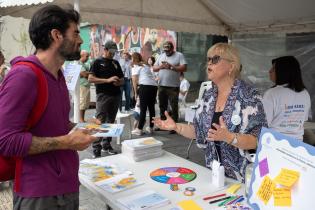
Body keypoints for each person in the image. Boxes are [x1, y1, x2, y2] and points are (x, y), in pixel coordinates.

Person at [0, 5, 97, 210]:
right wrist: (67, 141)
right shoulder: (23, 76)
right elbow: (6, 141)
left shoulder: (58, 75)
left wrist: (79, 127)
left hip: (66, 186)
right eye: (76, 33)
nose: (80, 40)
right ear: (56, 35)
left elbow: (55, 123)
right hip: (39, 193)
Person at [153, 43, 267, 182]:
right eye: (208, 59)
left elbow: (258, 140)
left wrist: (230, 137)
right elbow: (199, 131)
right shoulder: (209, 95)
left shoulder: (250, 97)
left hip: (244, 179)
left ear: (231, 66)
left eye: (215, 59)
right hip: (214, 174)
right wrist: (177, 127)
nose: (209, 63)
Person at [88, 40, 124, 157]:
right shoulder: (97, 62)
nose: (112, 54)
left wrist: (119, 82)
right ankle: (96, 148)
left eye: (114, 52)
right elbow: (91, 79)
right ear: (105, 49)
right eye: (111, 52)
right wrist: (107, 80)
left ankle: (106, 144)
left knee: (111, 122)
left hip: (116, 95)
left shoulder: (115, 63)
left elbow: (122, 79)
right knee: (100, 121)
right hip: (103, 95)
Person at [262, 56, 311, 140]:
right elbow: (304, 120)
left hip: (275, 143)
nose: (269, 71)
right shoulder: (305, 93)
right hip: (297, 144)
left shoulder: (272, 93)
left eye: (273, 69)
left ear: (283, 71)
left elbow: (264, 123)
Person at [153, 41, 187, 133]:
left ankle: (174, 126)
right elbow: (154, 68)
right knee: (162, 106)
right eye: (165, 50)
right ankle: (163, 125)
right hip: (162, 85)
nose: (166, 52)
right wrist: (161, 67)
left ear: (172, 48)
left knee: (173, 106)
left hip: (173, 86)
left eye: (168, 50)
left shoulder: (179, 55)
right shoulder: (161, 55)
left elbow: (184, 68)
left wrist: (172, 67)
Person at [131, 52, 158, 135]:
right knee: (151, 108)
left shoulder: (136, 66)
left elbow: (134, 81)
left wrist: (135, 93)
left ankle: (139, 129)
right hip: (153, 87)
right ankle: (151, 127)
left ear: (133, 59)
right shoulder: (145, 65)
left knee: (143, 108)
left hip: (145, 87)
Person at [78, 50, 91, 122]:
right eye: (86, 56)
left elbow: (86, 74)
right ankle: (81, 119)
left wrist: (88, 73)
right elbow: (84, 74)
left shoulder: (85, 64)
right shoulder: (79, 63)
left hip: (86, 86)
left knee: (85, 103)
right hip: (82, 86)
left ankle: (82, 118)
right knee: (82, 103)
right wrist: (89, 73)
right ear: (82, 55)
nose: (88, 58)